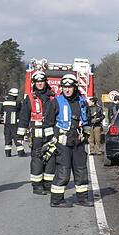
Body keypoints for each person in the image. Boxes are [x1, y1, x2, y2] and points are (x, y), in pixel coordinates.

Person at [44, 74, 93, 208]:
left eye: (70, 87)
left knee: (81, 172)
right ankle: (56, 200)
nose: (67, 90)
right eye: (64, 87)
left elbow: (87, 121)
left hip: (78, 143)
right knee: (63, 172)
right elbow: (48, 123)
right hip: (62, 144)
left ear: (75, 87)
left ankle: (82, 199)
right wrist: (51, 140)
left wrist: (86, 136)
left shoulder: (82, 102)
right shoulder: (56, 102)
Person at [19, 70, 56, 195]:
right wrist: (20, 135)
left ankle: (48, 184)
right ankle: (37, 185)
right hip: (36, 135)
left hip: (51, 134)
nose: (40, 84)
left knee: (51, 158)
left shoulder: (53, 97)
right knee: (37, 159)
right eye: (37, 82)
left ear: (45, 82)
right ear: (34, 83)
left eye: (42, 81)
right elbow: (24, 116)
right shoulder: (29, 98)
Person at [1, 88, 24, 157]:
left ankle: (8, 153)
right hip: (15, 123)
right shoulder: (17, 103)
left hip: (6, 123)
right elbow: (21, 112)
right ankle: (20, 153)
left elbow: (1, 112)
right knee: (17, 137)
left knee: (7, 137)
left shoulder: (4, 102)